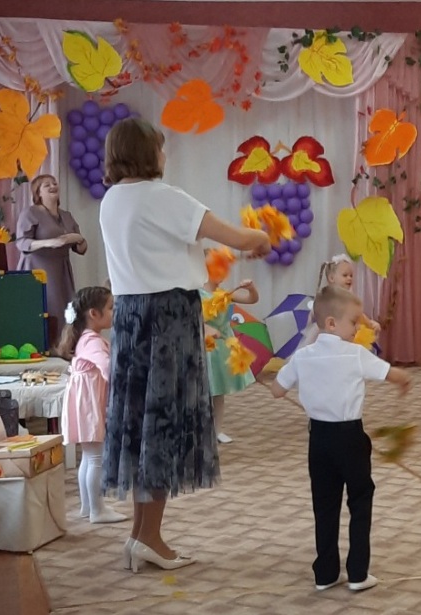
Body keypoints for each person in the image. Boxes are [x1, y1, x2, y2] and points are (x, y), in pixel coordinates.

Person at [99, 118, 270, 573]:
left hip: (130, 318)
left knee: (141, 424)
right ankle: (150, 536)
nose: (164, 155)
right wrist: (261, 237)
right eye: (159, 148)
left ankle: (140, 534)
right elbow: (235, 236)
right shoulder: (164, 197)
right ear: (146, 153)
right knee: (163, 425)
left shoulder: (112, 200)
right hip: (168, 317)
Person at [267, 285, 411, 592]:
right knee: (360, 499)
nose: (358, 328)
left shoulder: (303, 356)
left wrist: (276, 370)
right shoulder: (356, 354)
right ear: (332, 323)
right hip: (350, 437)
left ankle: (325, 573)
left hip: (318, 440)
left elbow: (277, 391)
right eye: (353, 322)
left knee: (324, 505)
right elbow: (393, 374)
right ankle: (358, 573)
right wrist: (404, 381)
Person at [58, 286, 127, 524]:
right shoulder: (93, 342)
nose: (115, 312)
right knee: (96, 458)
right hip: (90, 408)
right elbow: (109, 370)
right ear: (93, 314)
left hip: (84, 406)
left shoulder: (85, 339)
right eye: (111, 308)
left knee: (89, 457)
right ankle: (97, 510)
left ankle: (88, 507)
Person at [15, 174, 87, 333]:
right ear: (38, 193)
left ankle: (62, 344)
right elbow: (21, 242)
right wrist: (50, 242)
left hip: (61, 270)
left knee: (64, 311)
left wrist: (80, 240)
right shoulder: (30, 213)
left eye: (54, 183)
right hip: (37, 269)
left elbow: (81, 249)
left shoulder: (67, 216)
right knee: (41, 310)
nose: (53, 186)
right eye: (47, 185)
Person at [200, 277, 259, 444]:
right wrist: (205, 327)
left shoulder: (225, 293)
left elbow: (252, 299)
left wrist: (251, 288)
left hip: (222, 348)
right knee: (202, 391)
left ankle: (217, 430)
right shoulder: (196, 293)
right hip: (204, 347)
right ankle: (201, 431)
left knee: (219, 391)